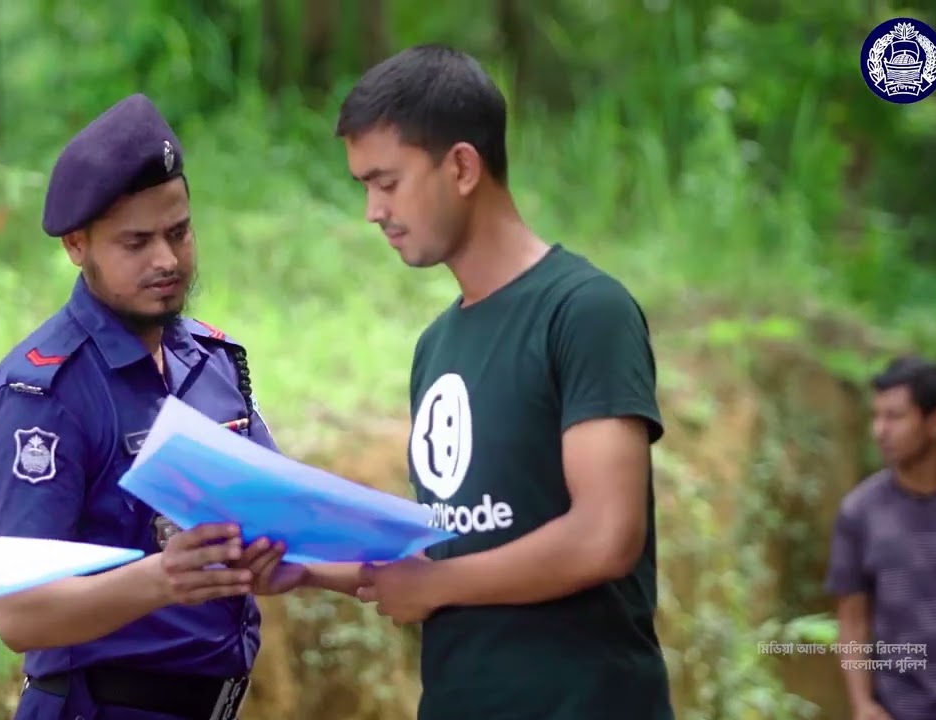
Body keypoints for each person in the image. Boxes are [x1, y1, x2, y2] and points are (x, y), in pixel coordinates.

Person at [274, 43, 674, 720]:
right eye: (364, 186)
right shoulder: (437, 344)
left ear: (461, 166)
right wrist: (303, 565)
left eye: (387, 182)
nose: (372, 210)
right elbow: (453, 542)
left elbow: (605, 535)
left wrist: (436, 584)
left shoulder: (584, 311)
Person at [0, 92, 300, 720]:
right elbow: (20, 613)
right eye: (136, 242)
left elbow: (283, 510)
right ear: (77, 245)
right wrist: (162, 579)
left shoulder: (211, 361)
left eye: (179, 233)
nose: (167, 261)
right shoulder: (46, 395)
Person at [826, 355, 936, 720]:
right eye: (876, 416)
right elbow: (852, 622)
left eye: (894, 417)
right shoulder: (860, 512)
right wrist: (863, 705)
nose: (880, 430)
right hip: (897, 709)